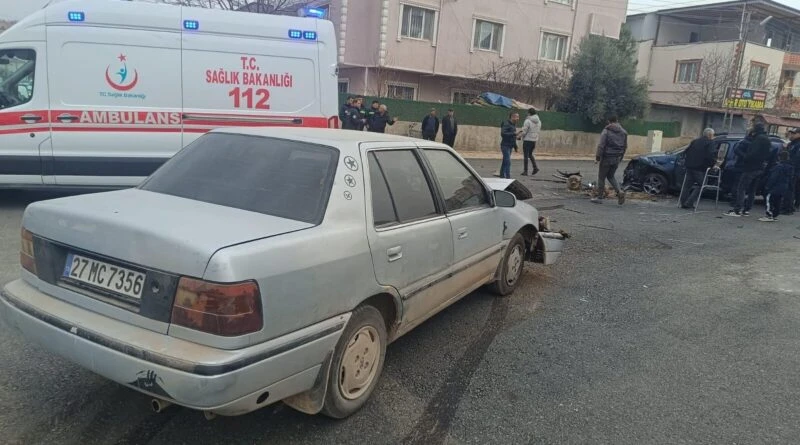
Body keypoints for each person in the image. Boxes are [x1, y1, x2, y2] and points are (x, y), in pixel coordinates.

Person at [724, 117, 772, 217]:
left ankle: (737, 210)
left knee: (741, 188)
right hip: (760, 168)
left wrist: (745, 157)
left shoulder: (758, 139)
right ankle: (746, 210)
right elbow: (769, 154)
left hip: (751, 168)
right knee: (752, 190)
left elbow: (752, 154)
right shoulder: (767, 139)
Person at [591, 116, 628, 205]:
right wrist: (621, 157)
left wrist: (598, 157)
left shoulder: (606, 131)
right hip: (617, 158)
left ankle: (599, 197)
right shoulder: (624, 132)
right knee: (611, 176)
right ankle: (619, 191)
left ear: (609, 121)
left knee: (601, 177)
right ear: (617, 121)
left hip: (607, 158)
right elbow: (625, 146)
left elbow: (601, 145)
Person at [679, 128, 716, 209]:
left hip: (689, 166)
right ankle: (689, 202)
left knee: (687, 185)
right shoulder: (710, 143)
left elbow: (686, 151)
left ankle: (683, 202)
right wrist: (713, 164)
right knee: (702, 185)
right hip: (700, 168)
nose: (713, 136)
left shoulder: (695, 141)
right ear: (710, 135)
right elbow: (710, 155)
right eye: (713, 135)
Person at [760, 150, 795, 222]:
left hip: (775, 187)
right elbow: (790, 179)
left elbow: (773, 178)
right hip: (784, 187)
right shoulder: (790, 168)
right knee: (778, 201)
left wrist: (767, 186)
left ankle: (769, 215)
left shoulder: (778, 167)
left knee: (769, 200)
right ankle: (775, 215)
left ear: (779, 157)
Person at [782, 127, 800, 215]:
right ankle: (789, 207)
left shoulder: (798, 145)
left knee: (789, 189)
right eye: (791, 133)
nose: (791, 135)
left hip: (794, 170)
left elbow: (796, 159)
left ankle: (787, 208)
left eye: (794, 133)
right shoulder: (792, 144)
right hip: (790, 169)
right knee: (789, 189)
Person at [520, 108, 542, 176]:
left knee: (526, 156)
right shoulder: (539, 121)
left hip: (527, 140)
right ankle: (535, 168)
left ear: (529, 113)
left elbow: (524, 131)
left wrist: (519, 136)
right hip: (534, 140)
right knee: (530, 154)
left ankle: (525, 171)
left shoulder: (527, 121)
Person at [499, 112, 520, 179]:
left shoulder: (513, 125)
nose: (518, 118)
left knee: (505, 161)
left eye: (518, 117)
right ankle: (508, 177)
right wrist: (513, 133)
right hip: (505, 145)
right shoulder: (506, 123)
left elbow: (513, 137)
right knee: (508, 161)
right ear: (512, 117)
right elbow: (503, 133)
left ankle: (502, 175)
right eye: (517, 117)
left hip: (510, 145)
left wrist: (515, 147)